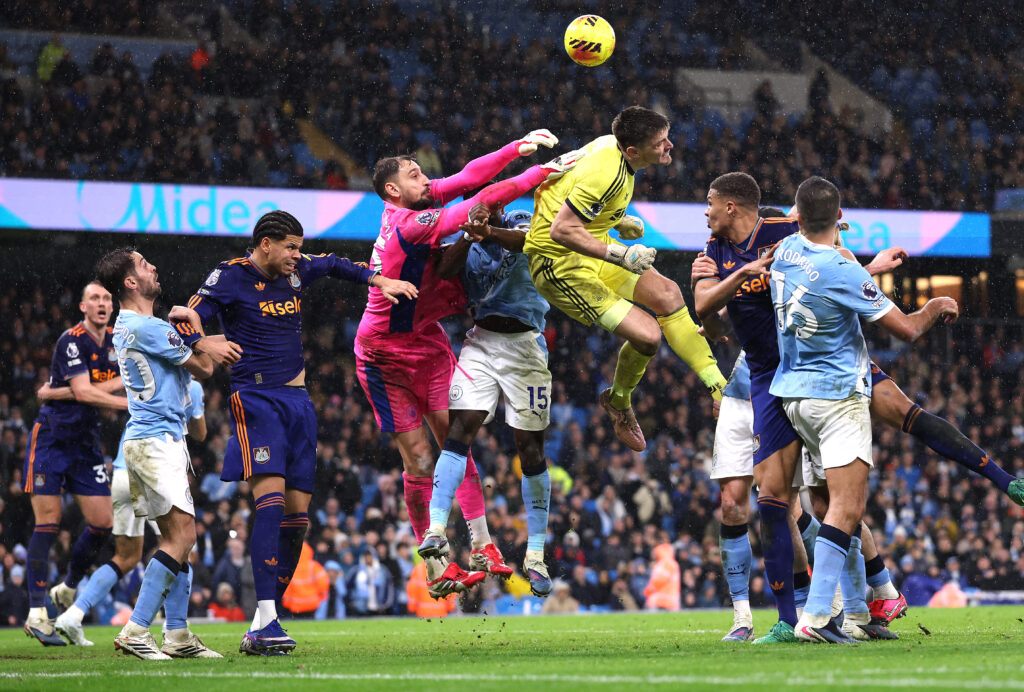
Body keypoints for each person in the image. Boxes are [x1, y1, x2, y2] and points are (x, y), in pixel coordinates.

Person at [173, 210, 417, 655]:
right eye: (290, 247)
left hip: (300, 405)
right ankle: (266, 615)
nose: (296, 255)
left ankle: (265, 619)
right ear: (266, 243)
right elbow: (183, 317)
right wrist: (203, 341)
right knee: (269, 505)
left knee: (298, 520)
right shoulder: (230, 276)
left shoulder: (299, 270)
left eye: (299, 248)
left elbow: (337, 264)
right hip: (256, 400)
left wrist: (380, 282)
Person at [356, 130, 579, 597]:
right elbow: (480, 198)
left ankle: (483, 546)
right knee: (419, 459)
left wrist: (514, 148)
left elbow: (468, 176)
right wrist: (542, 171)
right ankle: (436, 566)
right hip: (384, 351)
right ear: (394, 190)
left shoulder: (419, 200)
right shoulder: (409, 223)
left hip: (429, 340)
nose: (425, 175)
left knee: (456, 439)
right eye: (414, 173)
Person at [770, 176, 959, 643]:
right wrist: (935, 305)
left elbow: (820, 267)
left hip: (794, 397)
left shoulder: (784, 252)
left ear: (795, 215)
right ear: (838, 219)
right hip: (837, 398)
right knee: (848, 508)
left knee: (823, 506)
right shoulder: (842, 267)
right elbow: (907, 330)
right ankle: (815, 618)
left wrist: (857, 257)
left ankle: (856, 614)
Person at [524, 105, 725, 453]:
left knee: (668, 293)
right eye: (661, 142)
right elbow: (561, 229)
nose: (670, 146)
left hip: (590, 244)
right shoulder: (608, 172)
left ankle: (719, 386)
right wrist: (621, 253)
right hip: (559, 265)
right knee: (648, 337)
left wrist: (616, 220)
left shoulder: (610, 148)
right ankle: (619, 402)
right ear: (633, 151)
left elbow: (563, 188)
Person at [419, 206, 555, 596]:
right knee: (458, 432)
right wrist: (468, 235)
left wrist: (489, 231)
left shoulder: (519, 217)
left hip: (526, 347)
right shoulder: (470, 236)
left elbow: (529, 241)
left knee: (530, 450)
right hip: (480, 342)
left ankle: (535, 555)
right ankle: (437, 530)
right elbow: (445, 270)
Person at [694, 173, 806, 643]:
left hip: (797, 384)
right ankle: (743, 616)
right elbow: (705, 309)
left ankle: (842, 601)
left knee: (798, 505)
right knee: (734, 503)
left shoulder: (785, 235)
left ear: (734, 207)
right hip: (745, 388)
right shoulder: (710, 253)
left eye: (711, 203)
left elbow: (826, 236)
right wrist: (723, 309)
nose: (705, 212)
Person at [95, 247, 222, 659]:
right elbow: (203, 368)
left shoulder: (133, 325)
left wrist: (197, 339)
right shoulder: (148, 328)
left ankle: (179, 635)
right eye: (144, 264)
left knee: (179, 538)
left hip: (152, 440)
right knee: (182, 536)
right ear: (130, 283)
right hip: (155, 442)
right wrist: (199, 329)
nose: (154, 266)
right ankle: (136, 629)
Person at [40, 376, 206, 646]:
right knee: (182, 543)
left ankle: (73, 614)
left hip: (121, 470)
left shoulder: (146, 376)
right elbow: (200, 433)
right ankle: (170, 627)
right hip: (153, 465)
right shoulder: (191, 384)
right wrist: (196, 411)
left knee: (127, 557)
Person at [23, 281, 127, 647]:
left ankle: (66, 588)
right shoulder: (72, 339)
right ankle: (37, 612)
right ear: (83, 306)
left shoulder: (118, 339)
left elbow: (89, 389)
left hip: (85, 444)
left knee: (102, 523)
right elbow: (84, 393)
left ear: (112, 307)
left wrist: (53, 389)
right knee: (48, 523)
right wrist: (125, 397)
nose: (101, 303)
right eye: (94, 298)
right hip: (52, 437)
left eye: (106, 299)